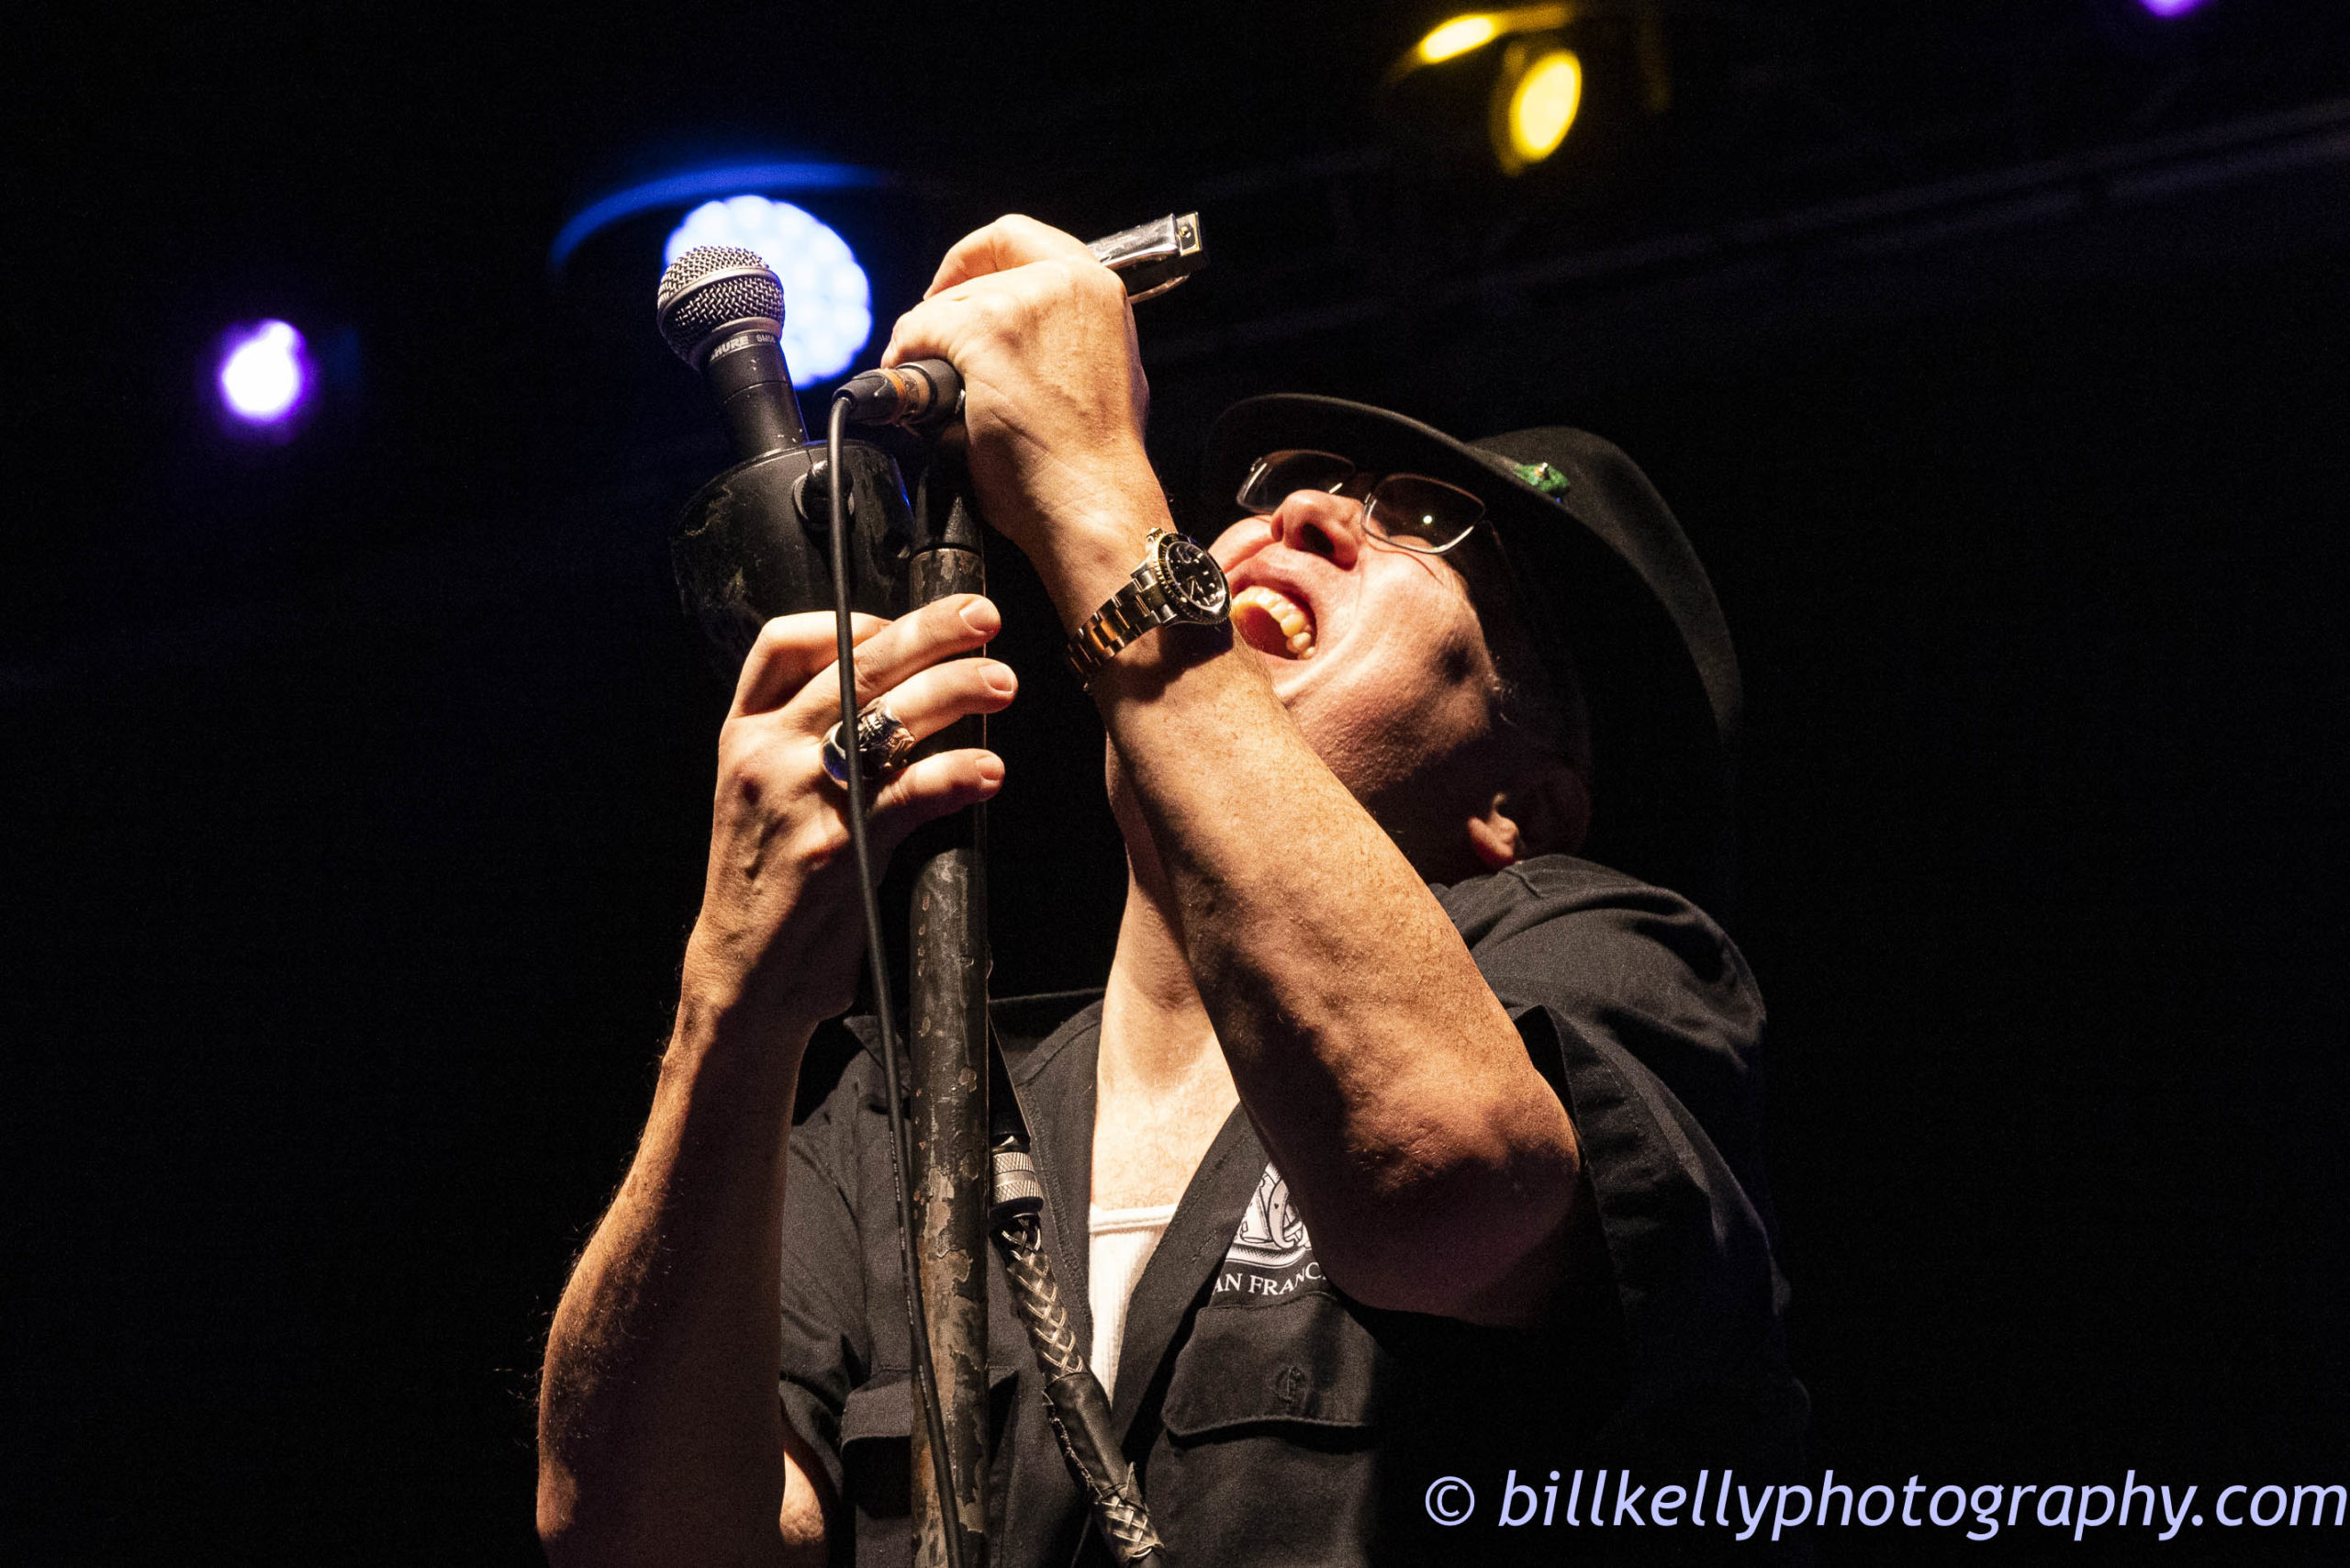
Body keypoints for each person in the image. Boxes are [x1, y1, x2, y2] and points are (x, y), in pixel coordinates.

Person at [536, 215, 1806, 1567]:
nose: (1303, 509)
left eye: (1430, 531)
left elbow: (1440, 1184)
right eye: (1297, 480)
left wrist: (1095, 491)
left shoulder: (1610, 965)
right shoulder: (905, 1113)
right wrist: (732, 997)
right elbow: (636, 1538)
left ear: (1521, 809)